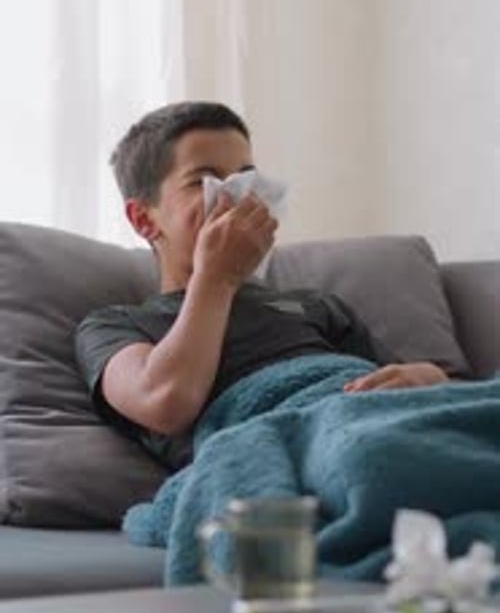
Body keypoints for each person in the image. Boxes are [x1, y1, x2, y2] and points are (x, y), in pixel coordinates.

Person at [75, 101, 451, 472]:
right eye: (204, 180)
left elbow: (402, 385)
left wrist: (428, 377)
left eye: (246, 178)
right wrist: (217, 278)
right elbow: (165, 403)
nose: (236, 195)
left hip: (377, 420)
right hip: (296, 448)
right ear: (143, 220)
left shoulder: (314, 305)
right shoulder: (114, 326)